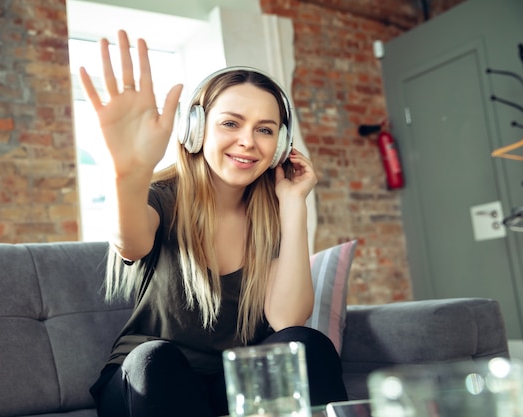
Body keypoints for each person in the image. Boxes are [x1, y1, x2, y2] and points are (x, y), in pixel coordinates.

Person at [79, 29, 348, 417]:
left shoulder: (271, 213)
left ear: (281, 145)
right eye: (230, 124)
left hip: (231, 382)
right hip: (150, 382)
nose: (248, 141)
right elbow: (130, 242)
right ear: (196, 129)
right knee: (156, 360)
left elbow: (287, 320)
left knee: (306, 344)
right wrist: (130, 172)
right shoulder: (160, 197)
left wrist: (293, 205)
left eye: (265, 130)